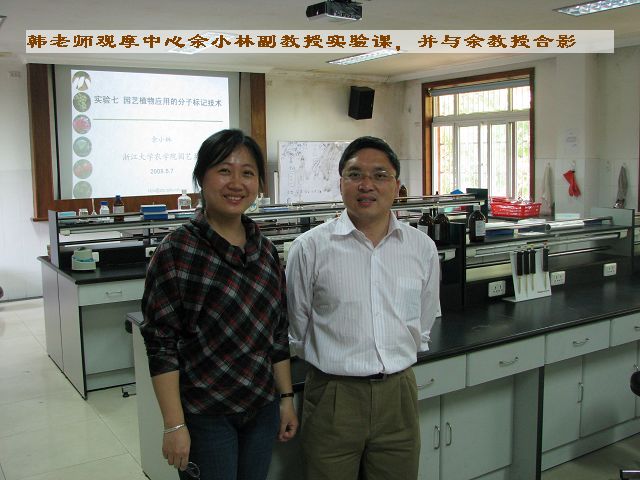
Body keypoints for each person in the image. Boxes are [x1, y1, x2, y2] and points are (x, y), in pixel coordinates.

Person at [141, 129, 298, 480]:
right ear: (201, 178)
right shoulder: (177, 251)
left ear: (259, 184)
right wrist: (174, 425)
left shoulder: (265, 251)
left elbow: (277, 333)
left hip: (261, 409)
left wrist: (286, 398)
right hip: (205, 416)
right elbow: (161, 344)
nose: (236, 183)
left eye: (247, 173)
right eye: (224, 171)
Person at [286, 136, 440, 480]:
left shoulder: (421, 248)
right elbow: (298, 326)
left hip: (398, 393)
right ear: (341, 183)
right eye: (355, 175)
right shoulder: (309, 249)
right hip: (333, 395)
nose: (366, 185)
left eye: (380, 175)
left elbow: (423, 318)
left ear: (396, 186)